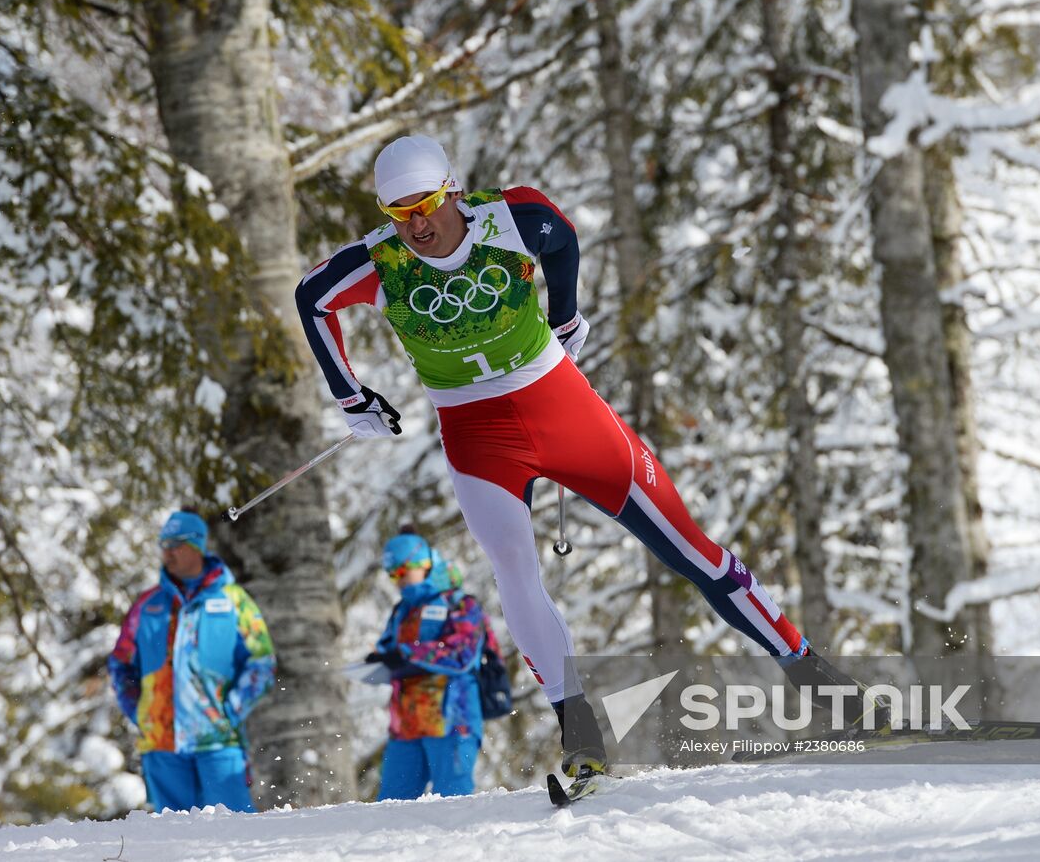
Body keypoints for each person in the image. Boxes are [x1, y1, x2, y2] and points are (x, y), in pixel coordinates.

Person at [295, 135, 870, 783]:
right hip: (475, 433)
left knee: (687, 546)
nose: (416, 224)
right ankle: (581, 734)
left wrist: (565, 317)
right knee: (514, 568)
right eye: (398, 212)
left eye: (425, 204)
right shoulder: (379, 261)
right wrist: (350, 395)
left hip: (561, 409)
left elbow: (561, 235)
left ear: (452, 190)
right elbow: (310, 297)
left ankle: (814, 673)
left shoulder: (509, 218)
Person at [107, 510, 276, 812]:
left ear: (197, 546)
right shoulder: (148, 605)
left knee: (235, 836)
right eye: (163, 544)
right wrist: (140, 710)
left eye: (176, 544)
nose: (167, 553)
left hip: (218, 742)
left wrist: (233, 708)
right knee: (175, 842)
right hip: (161, 746)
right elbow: (121, 663)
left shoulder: (234, 601)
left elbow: (261, 661)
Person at [366, 528, 490, 799]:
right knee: (390, 809)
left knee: (453, 803)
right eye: (391, 574)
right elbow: (389, 646)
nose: (397, 581)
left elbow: (462, 655)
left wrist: (410, 653)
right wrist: (379, 659)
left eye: (401, 572)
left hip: (451, 720)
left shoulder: (459, 604)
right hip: (406, 724)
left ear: (424, 565)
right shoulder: (402, 609)